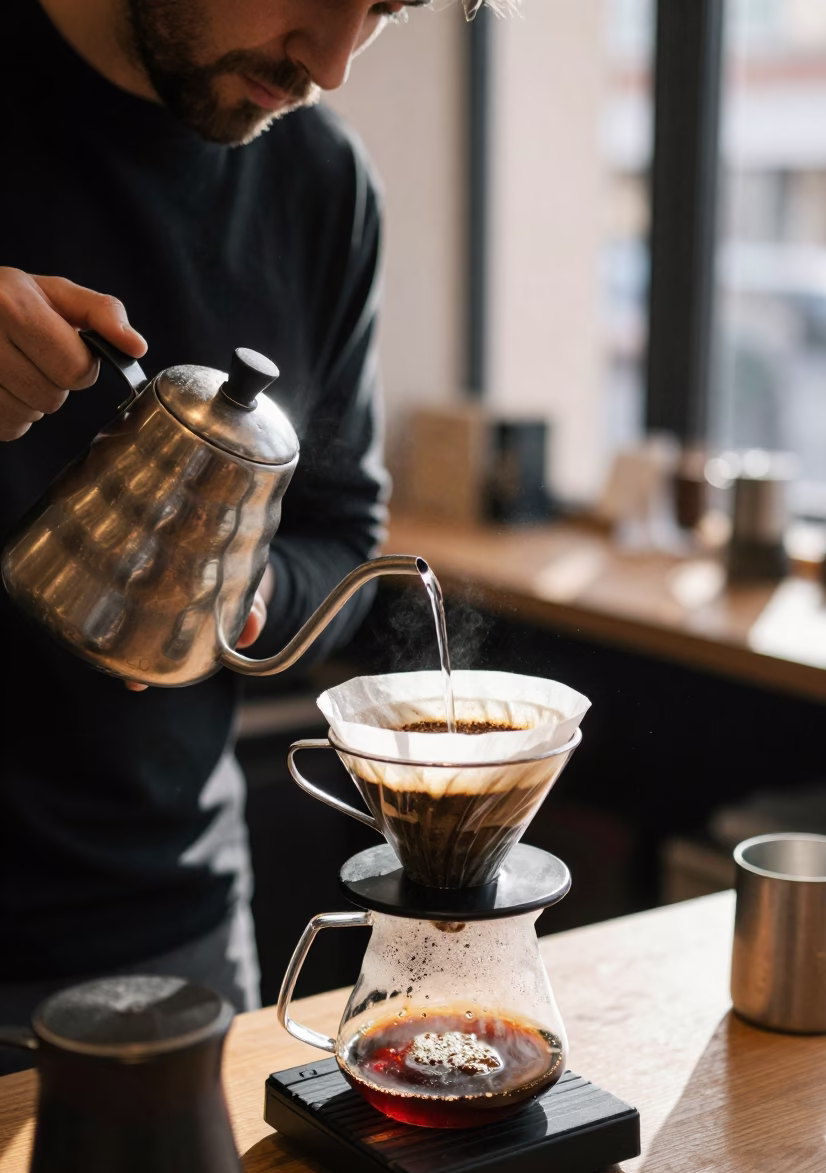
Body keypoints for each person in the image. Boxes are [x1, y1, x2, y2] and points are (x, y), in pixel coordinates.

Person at [0, 0, 485, 1052]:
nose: (335, 59)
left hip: (169, 936)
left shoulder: (322, 185)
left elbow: (339, 522)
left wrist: (236, 597)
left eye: (385, 11)